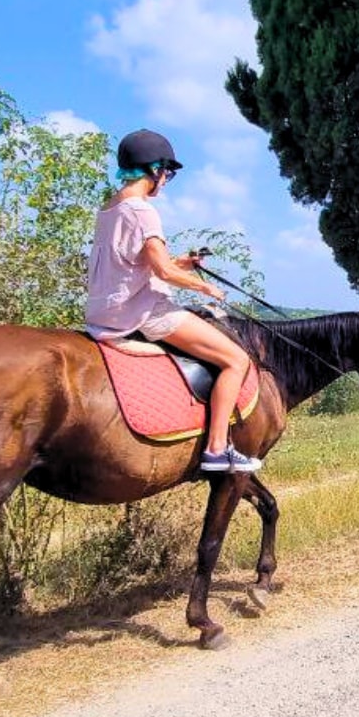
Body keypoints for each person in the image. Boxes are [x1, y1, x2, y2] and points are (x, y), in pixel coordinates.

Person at [87, 129, 258, 473]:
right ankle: (216, 449)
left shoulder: (109, 207)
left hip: (102, 311)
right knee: (236, 361)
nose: (166, 180)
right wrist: (205, 288)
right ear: (153, 169)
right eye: (167, 172)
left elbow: (137, 262)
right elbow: (162, 271)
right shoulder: (143, 211)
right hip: (142, 312)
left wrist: (184, 262)